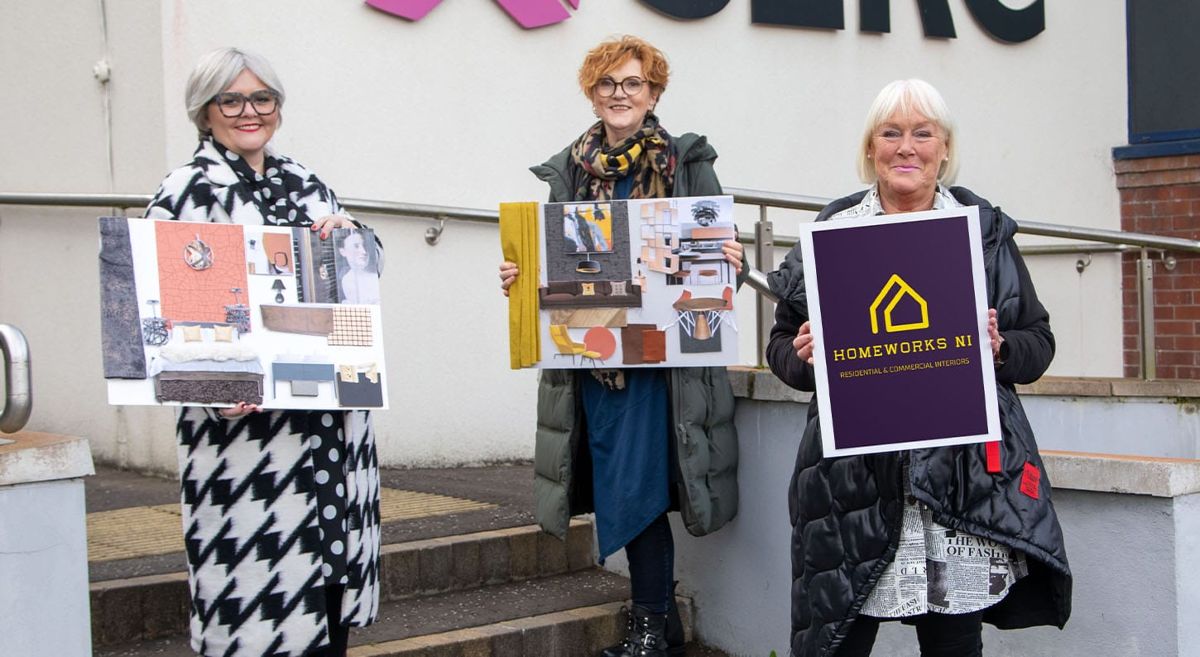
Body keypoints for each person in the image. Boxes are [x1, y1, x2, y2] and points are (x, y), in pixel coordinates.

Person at [765, 79, 1071, 657]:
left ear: (945, 148)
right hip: (854, 482)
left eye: (922, 133)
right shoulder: (832, 232)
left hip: (958, 482)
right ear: (871, 149)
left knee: (953, 640)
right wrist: (803, 356)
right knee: (841, 636)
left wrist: (999, 346)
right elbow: (781, 344)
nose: (907, 147)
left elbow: (1039, 342)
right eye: (891, 133)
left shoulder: (983, 232)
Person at [498, 36, 744, 657]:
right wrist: (522, 277)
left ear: (654, 92)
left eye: (633, 83)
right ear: (592, 92)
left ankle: (648, 628)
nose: (620, 95)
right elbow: (559, 264)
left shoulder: (686, 161)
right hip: (594, 360)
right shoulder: (570, 171)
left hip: (660, 367)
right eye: (607, 84)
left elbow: (715, 268)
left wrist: (728, 258)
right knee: (625, 488)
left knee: (637, 492)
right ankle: (660, 624)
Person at [145, 47, 380, 657]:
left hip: (329, 425)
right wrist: (214, 391)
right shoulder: (185, 190)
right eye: (231, 99)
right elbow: (159, 314)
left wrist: (352, 240)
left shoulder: (304, 180)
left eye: (262, 98)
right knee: (258, 616)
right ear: (205, 111)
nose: (248, 112)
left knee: (328, 604)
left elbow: (360, 281)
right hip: (246, 444)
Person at [337, 230, 381, 304]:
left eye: (364, 245)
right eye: (356, 246)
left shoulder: (374, 274)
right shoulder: (347, 280)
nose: (364, 251)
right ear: (343, 252)